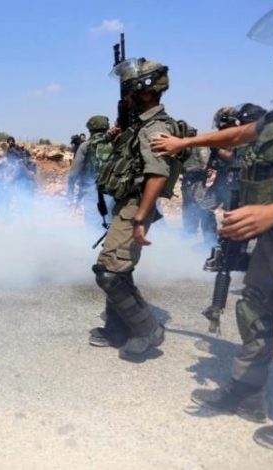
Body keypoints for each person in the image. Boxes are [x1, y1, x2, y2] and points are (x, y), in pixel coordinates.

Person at [153, 0, 273, 452]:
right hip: (272, 240)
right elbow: (243, 134)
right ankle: (246, 392)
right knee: (253, 312)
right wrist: (187, 142)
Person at [90, 57, 180, 360]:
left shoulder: (155, 127)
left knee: (110, 273)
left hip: (135, 205)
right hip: (127, 202)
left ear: (145, 91)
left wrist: (141, 217)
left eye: (130, 90)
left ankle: (147, 330)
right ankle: (117, 329)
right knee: (118, 268)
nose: (127, 96)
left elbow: (158, 173)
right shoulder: (138, 125)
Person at [67, 115, 115, 227]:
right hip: (112, 190)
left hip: (92, 191)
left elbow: (73, 173)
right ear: (107, 127)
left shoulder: (85, 146)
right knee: (111, 224)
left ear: (90, 129)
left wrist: (70, 193)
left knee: (93, 225)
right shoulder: (116, 143)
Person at [180, 126, 217, 243]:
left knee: (204, 208)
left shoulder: (200, 146)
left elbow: (204, 165)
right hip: (188, 181)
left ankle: (210, 238)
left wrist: (187, 170)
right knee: (188, 208)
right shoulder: (186, 147)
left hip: (198, 182)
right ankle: (190, 233)